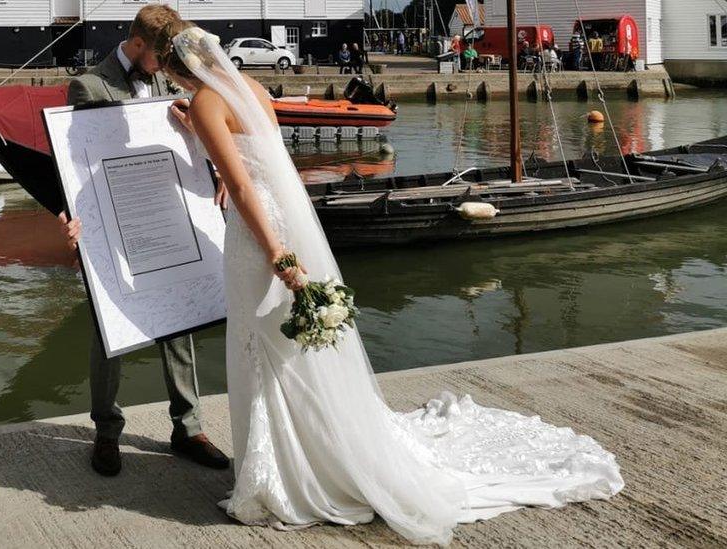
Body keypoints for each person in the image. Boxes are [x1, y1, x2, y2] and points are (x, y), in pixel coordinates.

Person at [156, 19, 625, 546]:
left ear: (179, 71)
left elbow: (240, 182)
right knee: (284, 345)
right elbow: (259, 156)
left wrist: (275, 254)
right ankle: (306, 452)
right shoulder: (254, 91)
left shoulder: (203, 103)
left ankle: (289, 472)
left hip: (258, 233)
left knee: (263, 343)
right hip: (282, 215)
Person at [58, 4, 229, 477]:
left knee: (180, 317)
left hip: (166, 214)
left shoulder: (161, 80)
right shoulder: (88, 86)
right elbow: (76, 164)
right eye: (162, 56)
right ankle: (106, 433)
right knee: (107, 330)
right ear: (138, 45)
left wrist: (213, 172)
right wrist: (71, 219)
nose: (168, 66)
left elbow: (185, 142)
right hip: (112, 222)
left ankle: (188, 428)